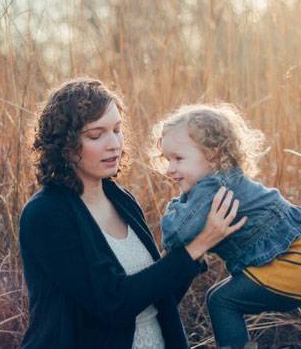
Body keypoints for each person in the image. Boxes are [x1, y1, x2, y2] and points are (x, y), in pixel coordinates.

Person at [18, 78, 247, 349]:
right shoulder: (46, 214)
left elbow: (159, 297)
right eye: (96, 135)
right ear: (64, 144)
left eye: (117, 130)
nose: (113, 144)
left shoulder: (121, 198)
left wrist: (198, 238)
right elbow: (112, 304)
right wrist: (197, 246)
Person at [153, 103, 301, 349]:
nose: (170, 169)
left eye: (178, 159)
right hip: (299, 261)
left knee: (223, 302)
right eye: (166, 159)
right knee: (216, 297)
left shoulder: (210, 187)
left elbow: (174, 234)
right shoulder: (224, 179)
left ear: (212, 156)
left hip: (289, 264)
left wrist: (176, 205)